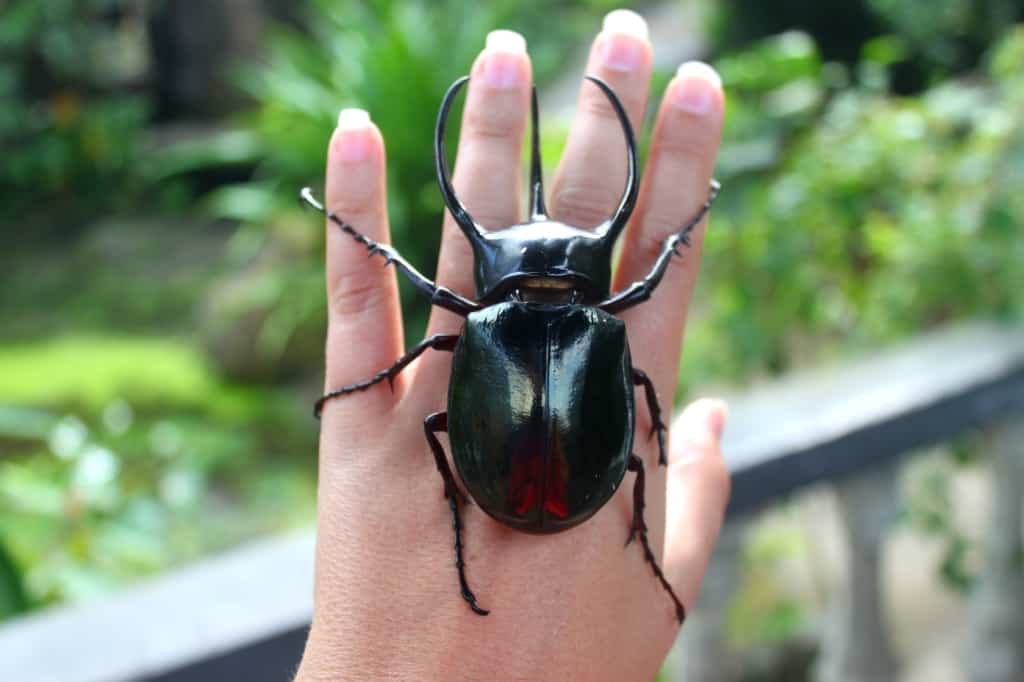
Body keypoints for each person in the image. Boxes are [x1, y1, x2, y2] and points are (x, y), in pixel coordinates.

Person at [294, 9, 731, 681]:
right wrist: (660, 436)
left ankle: (463, 514)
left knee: (444, 401)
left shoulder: (480, 324)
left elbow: (431, 334)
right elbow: (639, 382)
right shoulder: (606, 327)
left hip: (508, 482)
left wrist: (373, 325)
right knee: (639, 460)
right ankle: (613, 527)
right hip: (583, 485)